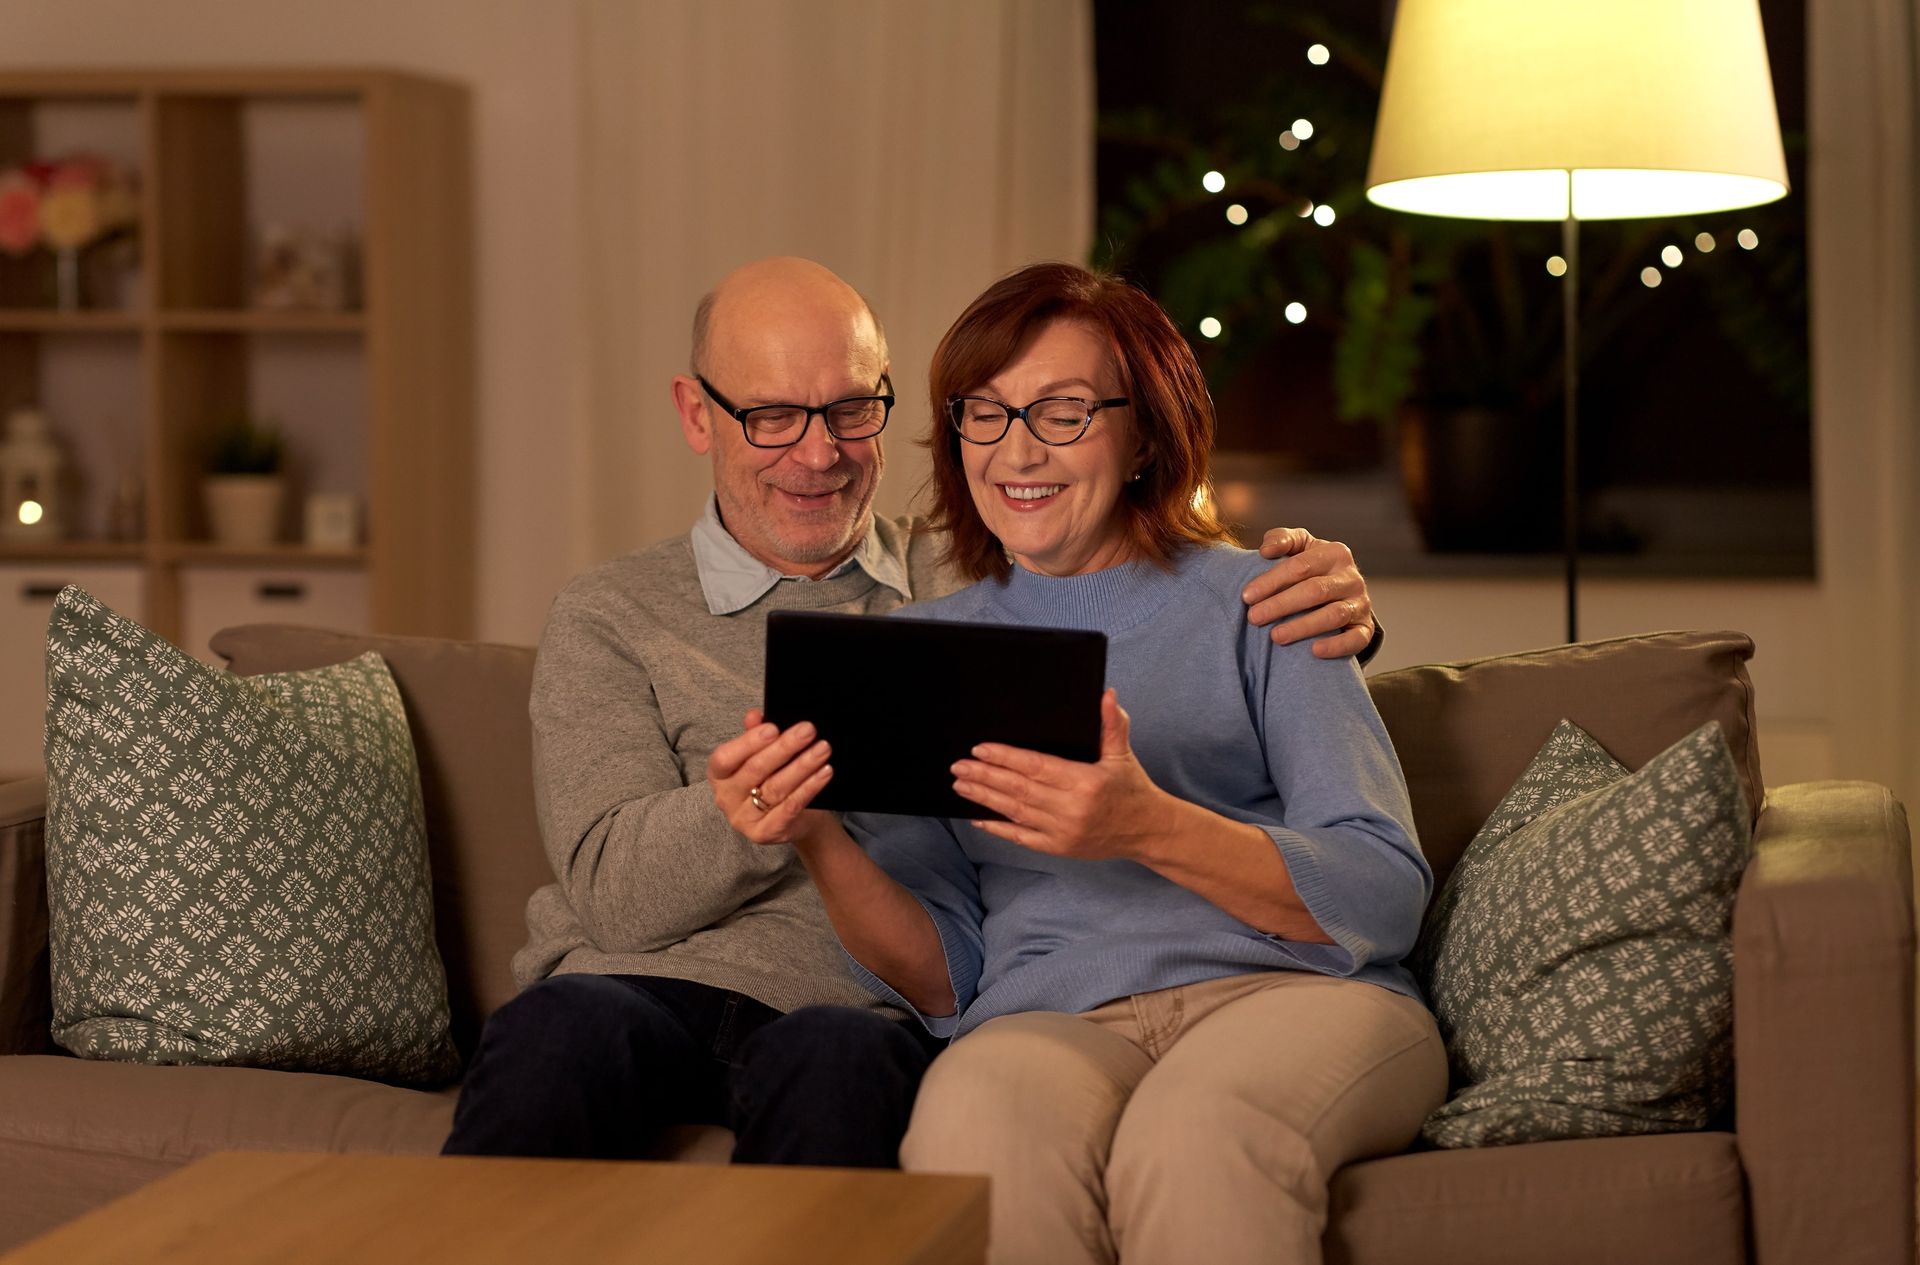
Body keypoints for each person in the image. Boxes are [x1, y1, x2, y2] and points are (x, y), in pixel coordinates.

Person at [443, 256, 1389, 1168]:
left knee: (839, 1066)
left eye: (851, 410)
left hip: (856, 1012)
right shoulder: (611, 612)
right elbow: (612, 896)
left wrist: (1322, 602)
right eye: (772, 417)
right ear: (699, 413)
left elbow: (1140, 584)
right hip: (634, 989)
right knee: (555, 1038)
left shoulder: (982, 569)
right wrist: (747, 817)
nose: (818, 453)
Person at [709, 257, 1442, 1262]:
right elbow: (945, 981)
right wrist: (818, 837)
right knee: (969, 1129)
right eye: (986, 412)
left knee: (1194, 1136)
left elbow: (1382, 895)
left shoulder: (1272, 600)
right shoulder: (926, 651)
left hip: (1298, 998)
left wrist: (1147, 825)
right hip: (1048, 1017)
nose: (1019, 449)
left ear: (1143, 433)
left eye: (1063, 411)